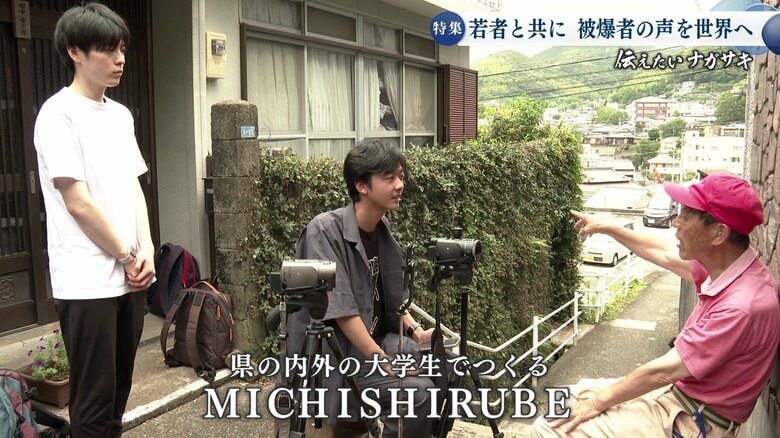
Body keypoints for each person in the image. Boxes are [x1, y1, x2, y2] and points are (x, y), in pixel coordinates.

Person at [533, 174, 780, 438]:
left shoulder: (741, 306)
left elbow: (663, 371)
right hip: (680, 397)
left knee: (550, 427)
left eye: (686, 215)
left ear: (719, 233)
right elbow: (660, 252)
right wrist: (607, 227)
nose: (676, 222)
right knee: (570, 397)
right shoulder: (731, 268)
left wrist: (597, 402)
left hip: (694, 420)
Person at [33, 3, 155, 436]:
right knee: (93, 402)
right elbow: (77, 202)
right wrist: (126, 255)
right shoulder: (58, 114)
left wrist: (147, 250)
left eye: (121, 48)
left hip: (131, 276)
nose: (119, 59)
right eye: (107, 49)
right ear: (75, 52)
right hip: (87, 282)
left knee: (119, 393)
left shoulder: (120, 115)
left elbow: (133, 185)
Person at [285, 139, 435, 437]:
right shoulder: (323, 231)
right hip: (340, 357)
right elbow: (342, 312)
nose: (399, 185)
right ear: (361, 185)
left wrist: (417, 333)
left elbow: (393, 298)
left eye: (401, 176)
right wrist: (385, 362)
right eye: (389, 178)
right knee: (418, 393)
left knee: (447, 367)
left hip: (376, 342)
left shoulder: (381, 228)